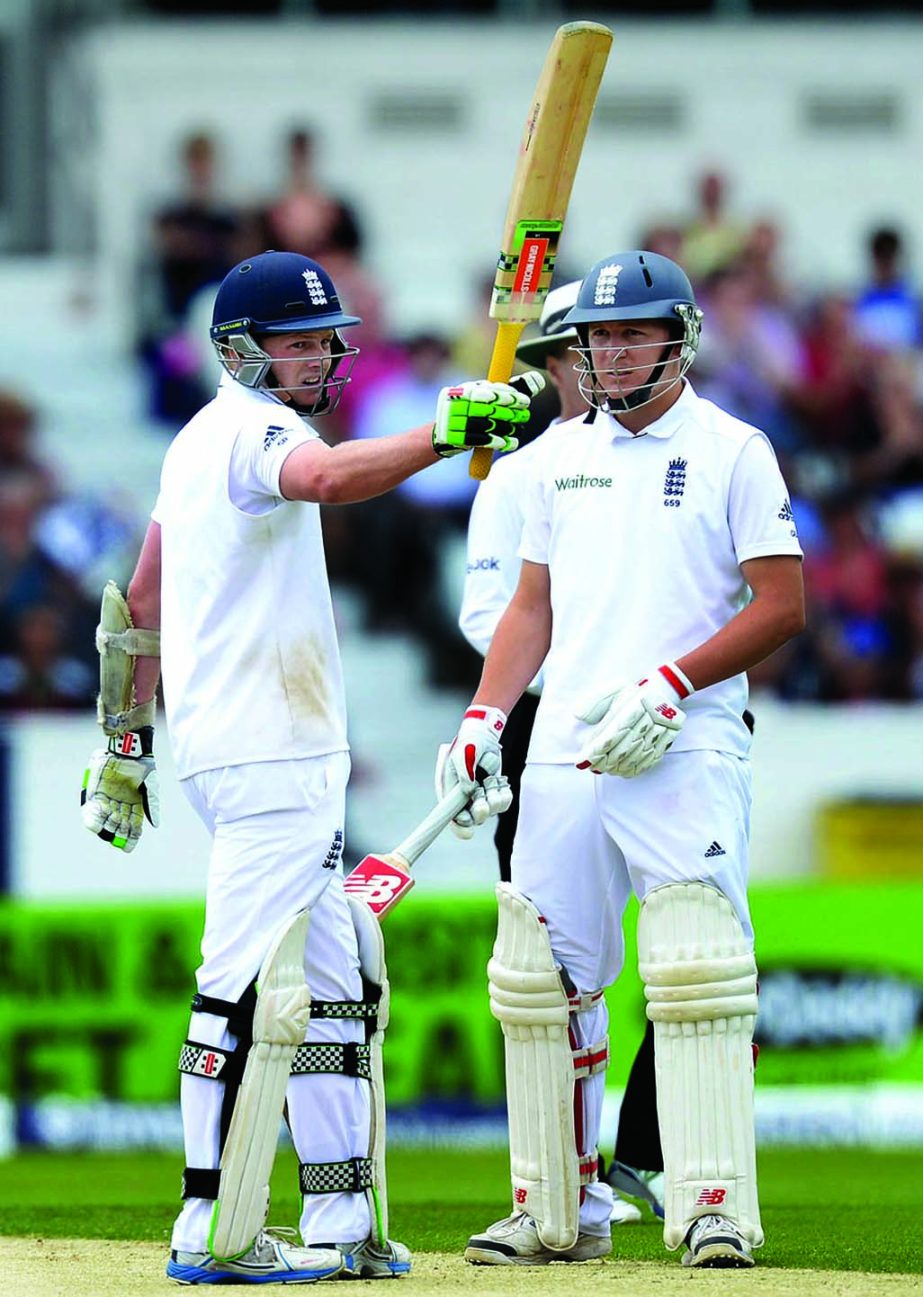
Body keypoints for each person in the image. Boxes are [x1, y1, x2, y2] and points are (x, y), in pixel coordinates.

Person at [79, 249, 537, 1285]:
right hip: (267, 746)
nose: (321, 354)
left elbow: (139, 604)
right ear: (242, 350)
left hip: (252, 748)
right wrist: (446, 430)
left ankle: (338, 1218)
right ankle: (208, 1225)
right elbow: (326, 479)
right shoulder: (255, 431)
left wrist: (123, 745)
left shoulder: (194, 442)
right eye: (298, 341)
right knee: (239, 982)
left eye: (326, 338)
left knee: (335, 986)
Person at [436, 250, 805, 1269]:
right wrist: (483, 716)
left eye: (629, 333)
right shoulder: (551, 459)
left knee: (695, 972)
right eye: (596, 337)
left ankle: (712, 1206)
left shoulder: (734, 450)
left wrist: (673, 683)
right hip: (564, 750)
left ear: (678, 339)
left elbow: (781, 606)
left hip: (681, 742)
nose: (606, 352)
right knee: (540, 980)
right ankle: (555, 1207)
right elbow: (530, 608)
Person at [457, 280, 664, 1226]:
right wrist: (506, 712)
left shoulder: (684, 452)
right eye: (572, 354)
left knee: (692, 949)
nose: (593, 367)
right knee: (548, 964)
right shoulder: (516, 475)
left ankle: (657, 1160)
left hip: (663, 724)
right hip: (544, 724)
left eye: (611, 345)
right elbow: (492, 616)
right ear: (546, 369)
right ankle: (556, 1176)